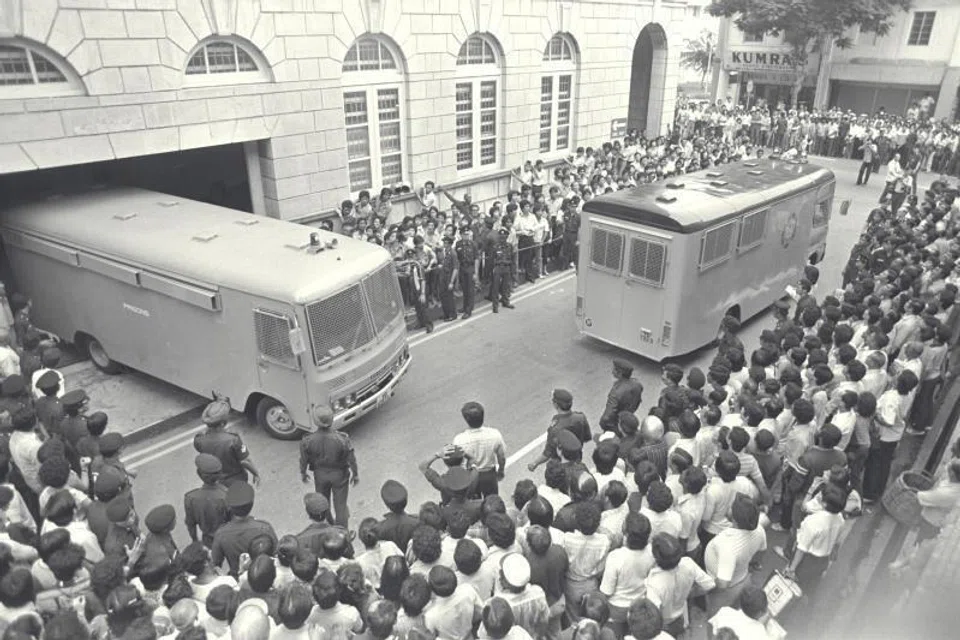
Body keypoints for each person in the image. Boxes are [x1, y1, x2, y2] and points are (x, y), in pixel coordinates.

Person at [299, 405, 358, 528]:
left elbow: (303, 460)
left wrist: (303, 473)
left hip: (320, 475)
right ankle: (342, 532)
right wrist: (355, 474)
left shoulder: (307, 440)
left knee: (323, 503)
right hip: (339, 475)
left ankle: (329, 526)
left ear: (316, 422)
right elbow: (351, 458)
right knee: (341, 507)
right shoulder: (342, 438)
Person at [600, 512, 655, 638]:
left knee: (617, 635)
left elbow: (607, 591)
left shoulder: (615, 557)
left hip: (617, 607)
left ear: (626, 535)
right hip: (640, 603)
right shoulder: (652, 552)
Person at [210, 482, 277, 577]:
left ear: (230, 507)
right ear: (252, 504)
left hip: (237, 577)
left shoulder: (221, 534)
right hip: (263, 574)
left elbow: (216, 565)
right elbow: (276, 555)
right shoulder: (265, 527)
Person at [194, 395, 261, 487]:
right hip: (236, 480)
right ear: (223, 423)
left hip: (216, 481)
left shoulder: (199, 438)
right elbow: (245, 461)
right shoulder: (234, 439)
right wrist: (256, 473)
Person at [528, 389, 592, 472]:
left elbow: (548, 453)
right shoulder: (580, 417)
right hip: (577, 460)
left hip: (560, 467)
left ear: (555, 405)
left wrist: (534, 463)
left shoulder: (555, 428)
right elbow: (587, 437)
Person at [453, 401, 506, 498]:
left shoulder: (459, 440)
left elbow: (457, 463)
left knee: (473, 502)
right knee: (492, 501)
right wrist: (501, 471)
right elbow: (501, 457)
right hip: (489, 474)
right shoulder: (494, 434)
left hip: (470, 476)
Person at [494, 553, 549, 638]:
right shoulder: (537, 593)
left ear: (509, 583)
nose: (499, 578)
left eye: (502, 576)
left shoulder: (502, 604)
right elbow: (544, 621)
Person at [183, 453, 229, 548]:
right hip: (226, 537)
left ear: (199, 474)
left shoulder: (190, 498)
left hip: (208, 539)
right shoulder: (226, 494)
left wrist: (195, 541)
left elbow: (190, 524)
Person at [599, 359, 644, 433]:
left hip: (615, 425)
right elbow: (638, 401)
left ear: (620, 373)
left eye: (614, 369)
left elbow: (607, 416)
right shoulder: (637, 384)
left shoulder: (616, 392)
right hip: (628, 419)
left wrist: (603, 424)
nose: (612, 371)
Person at [490, 228, 517, 313]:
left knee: (506, 286)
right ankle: (495, 305)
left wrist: (513, 271)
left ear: (506, 237)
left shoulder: (510, 246)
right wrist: (491, 271)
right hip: (498, 268)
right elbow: (491, 259)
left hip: (507, 267)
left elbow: (513, 259)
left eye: (504, 237)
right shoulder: (495, 247)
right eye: (501, 237)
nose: (502, 238)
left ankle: (505, 302)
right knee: (496, 287)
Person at [456, 226, 479, 319]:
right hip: (462, 268)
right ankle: (465, 306)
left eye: (467, 234)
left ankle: (468, 311)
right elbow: (457, 259)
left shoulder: (473, 244)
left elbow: (476, 259)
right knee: (464, 289)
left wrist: (476, 273)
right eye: (464, 234)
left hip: (470, 268)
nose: (466, 236)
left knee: (470, 289)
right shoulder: (458, 244)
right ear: (461, 235)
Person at [438, 235, 460, 322]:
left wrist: (451, 282)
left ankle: (452, 314)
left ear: (450, 244)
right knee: (443, 296)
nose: (444, 244)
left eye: (446, 242)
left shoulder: (453, 253)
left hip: (449, 277)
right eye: (444, 242)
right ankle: (446, 314)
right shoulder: (445, 252)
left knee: (449, 297)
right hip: (443, 277)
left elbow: (455, 268)